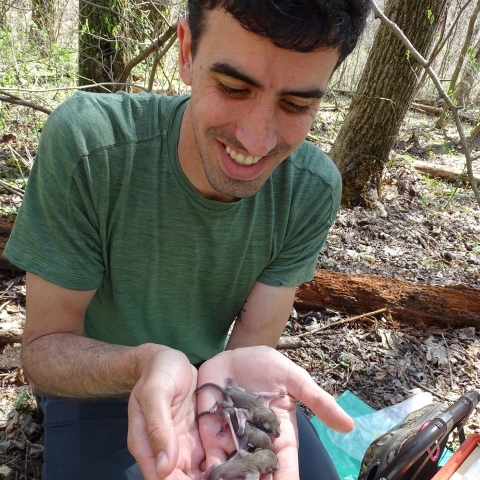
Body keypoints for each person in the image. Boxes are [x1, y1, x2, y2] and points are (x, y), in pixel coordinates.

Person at [4, 1, 371, 479]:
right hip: (94, 381)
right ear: (186, 52)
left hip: (214, 379)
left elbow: (244, 357)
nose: (258, 140)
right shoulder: (91, 145)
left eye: (297, 104)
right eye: (234, 88)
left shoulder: (310, 187)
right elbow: (44, 349)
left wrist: (220, 398)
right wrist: (145, 364)